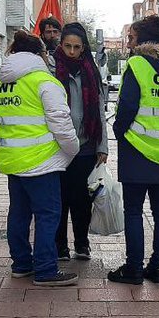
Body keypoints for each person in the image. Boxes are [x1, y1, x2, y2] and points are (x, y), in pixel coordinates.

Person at [108, 15, 159, 285]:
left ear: (142, 40)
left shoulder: (138, 64)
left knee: (133, 210)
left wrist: (119, 132)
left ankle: (133, 269)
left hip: (136, 147)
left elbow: (127, 106)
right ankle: (156, 268)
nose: (129, 43)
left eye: (132, 37)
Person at [0, 30, 81, 286]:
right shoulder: (45, 82)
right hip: (41, 160)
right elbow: (61, 123)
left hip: (12, 158)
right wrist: (73, 149)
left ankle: (21, 264)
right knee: (48, 215)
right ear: (40, 54)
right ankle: (45, 269)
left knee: (19, 214)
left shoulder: (2, 82)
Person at [52, 22, 109, 261]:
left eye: (77, 47)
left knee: (82, 199)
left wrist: (102, 145)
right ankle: (60, 246)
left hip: (85, 145)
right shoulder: (52, 68)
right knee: (59, 198)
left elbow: (99, 108)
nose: (72, 52)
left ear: (84, 47)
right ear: (61, 45)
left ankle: (81, 243)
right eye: (68, 46)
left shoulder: (90, 70)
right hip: (57, 147)